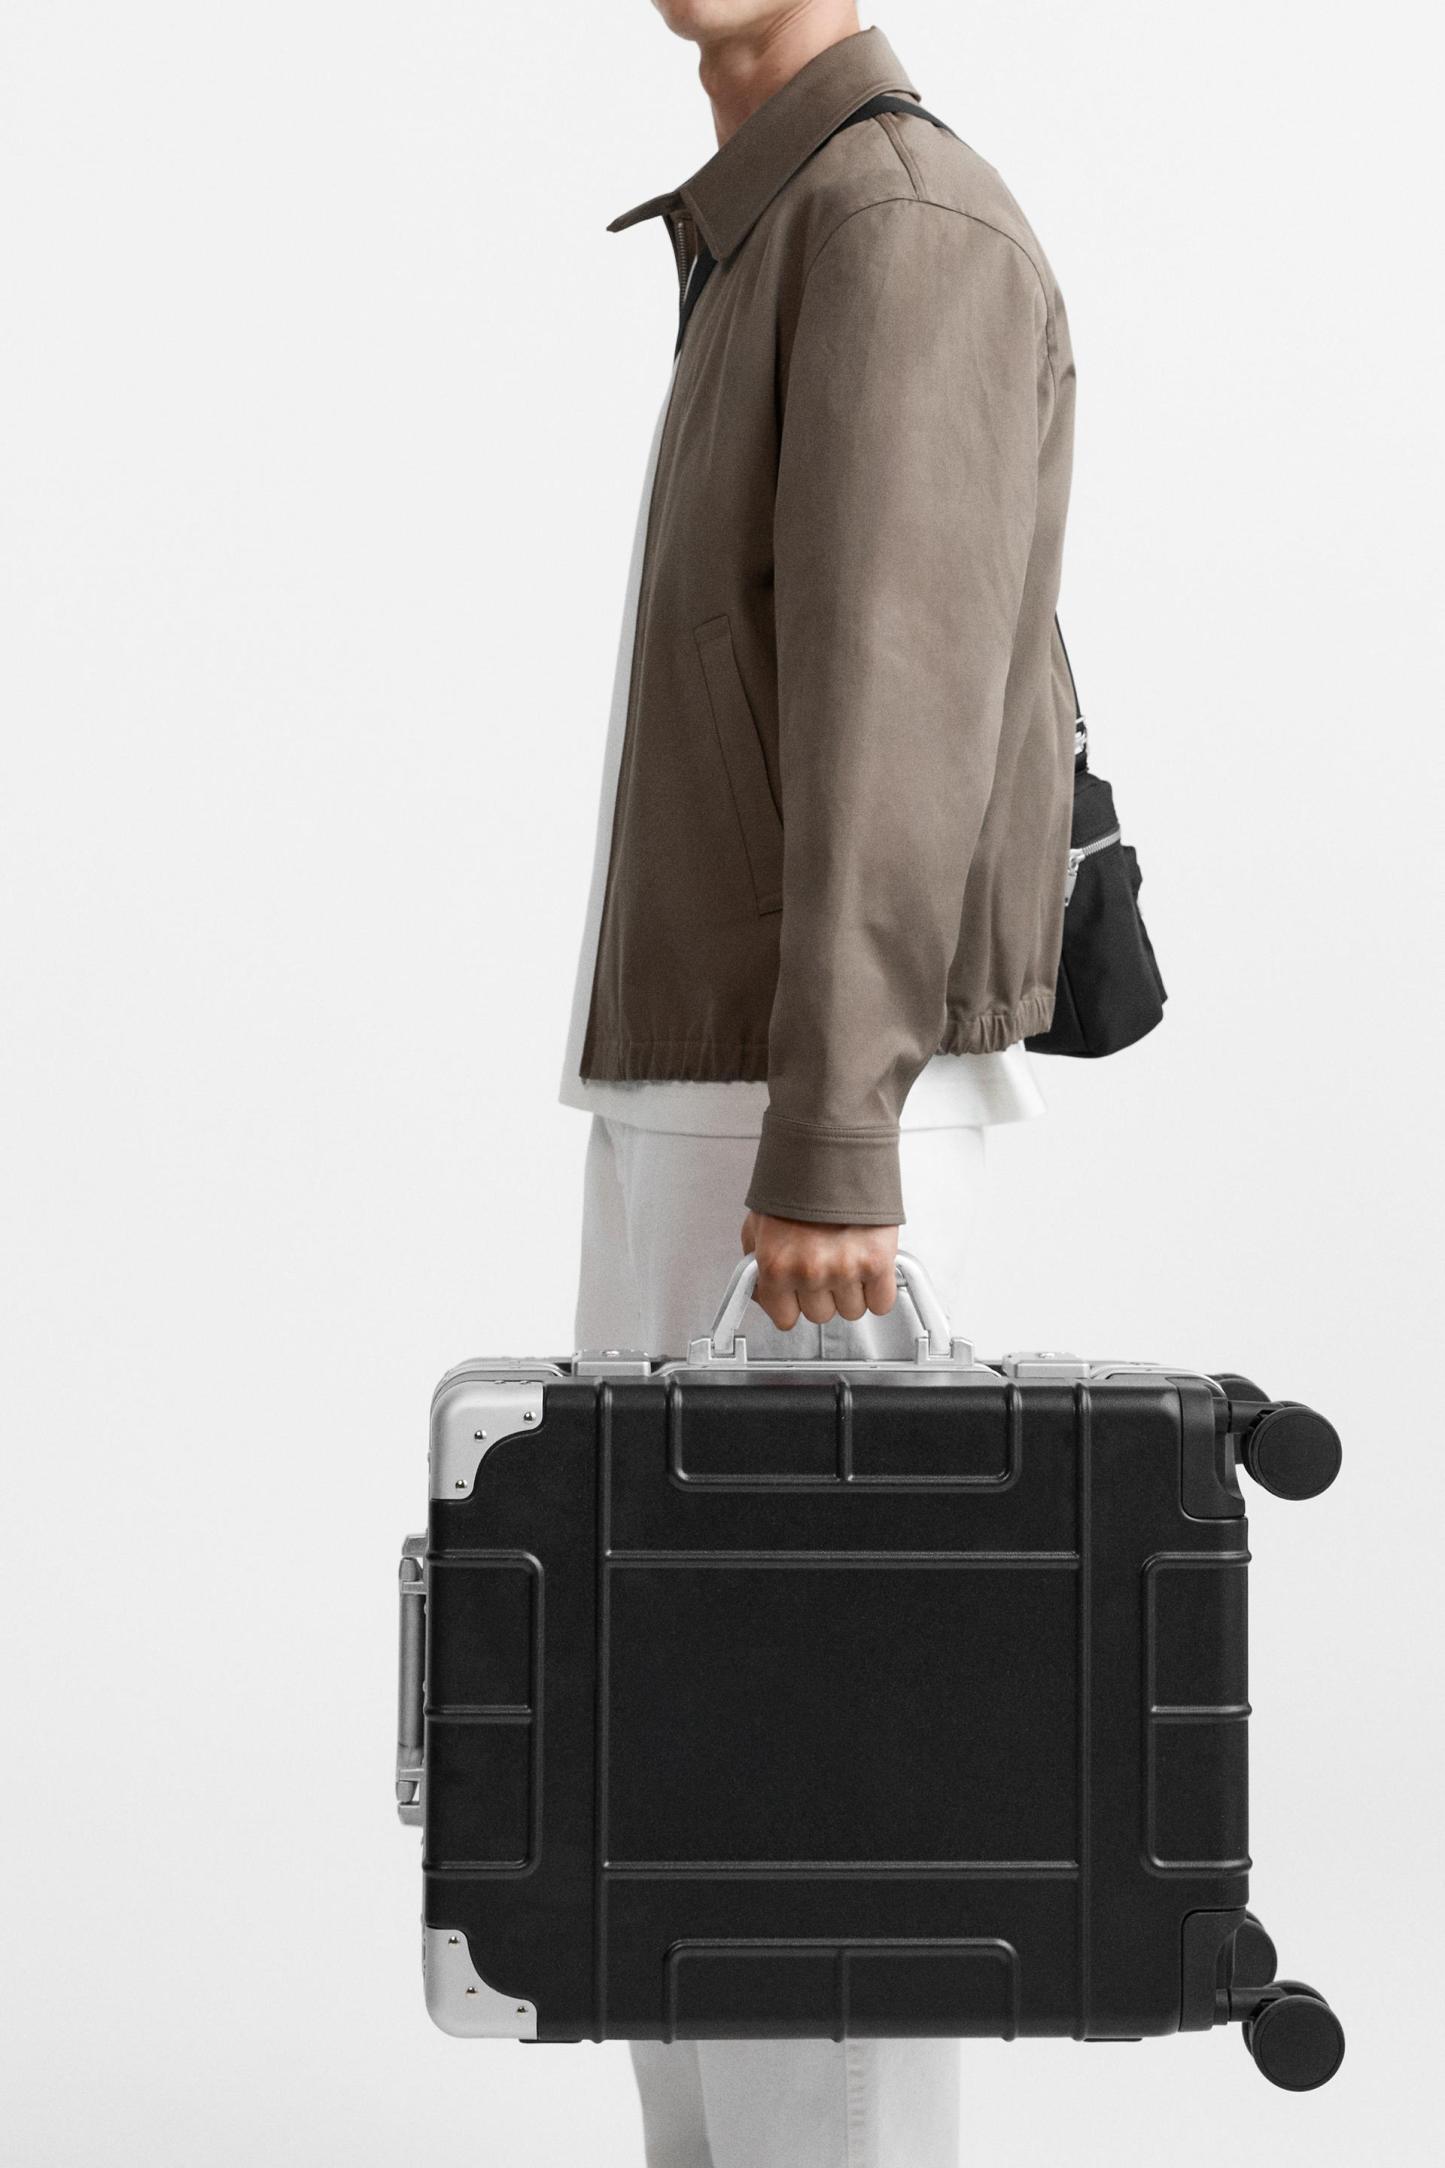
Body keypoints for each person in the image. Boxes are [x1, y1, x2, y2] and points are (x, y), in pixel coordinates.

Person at [558, 6, 1076, 2162]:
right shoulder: (775, 218)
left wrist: (836, 1133)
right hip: (717, 1086)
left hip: (800, 1117)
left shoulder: (892, 221)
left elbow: (899, 700)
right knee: (672, 1775)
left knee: (816, 1783)